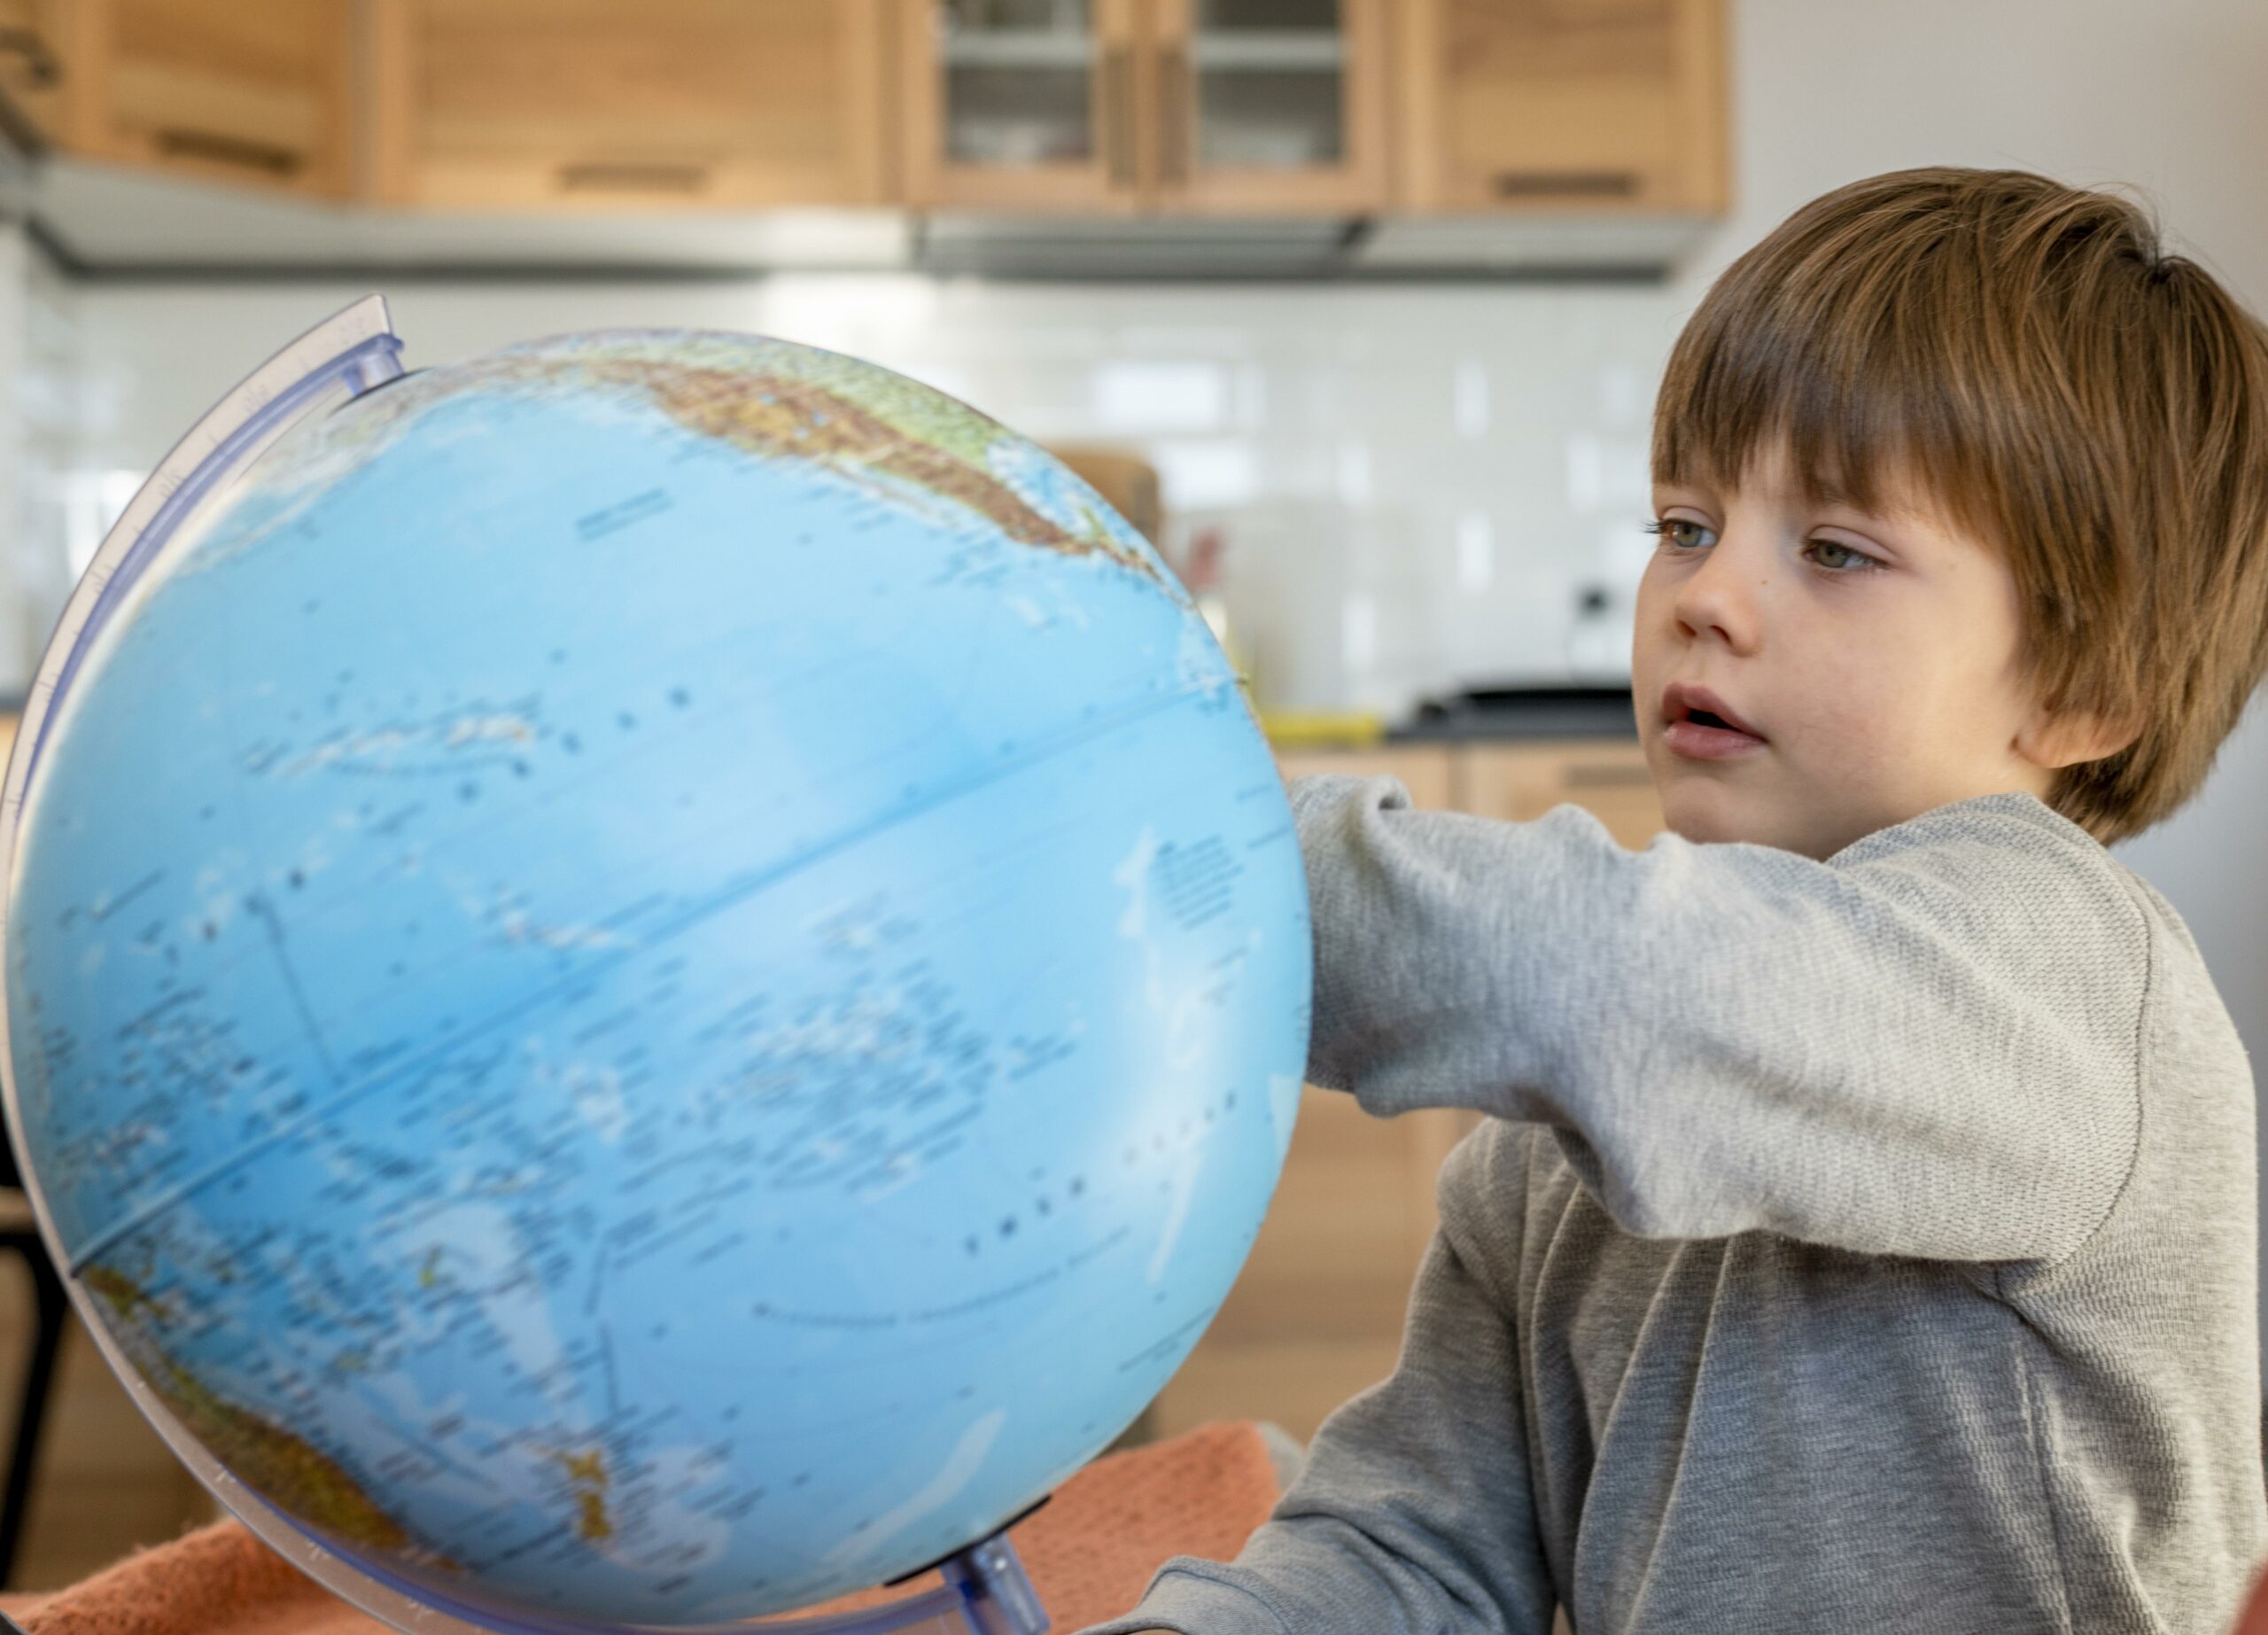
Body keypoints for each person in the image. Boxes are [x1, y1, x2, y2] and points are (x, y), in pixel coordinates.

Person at [1077, 167, 2268, 1634]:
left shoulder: (2074, 978)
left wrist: (1159, 874)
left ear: (2089, 689)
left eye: (1836, 550)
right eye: (1685, 523)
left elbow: (1624, 984)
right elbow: (1420, 1545)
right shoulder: (1549, 1161)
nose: (1702, 597)